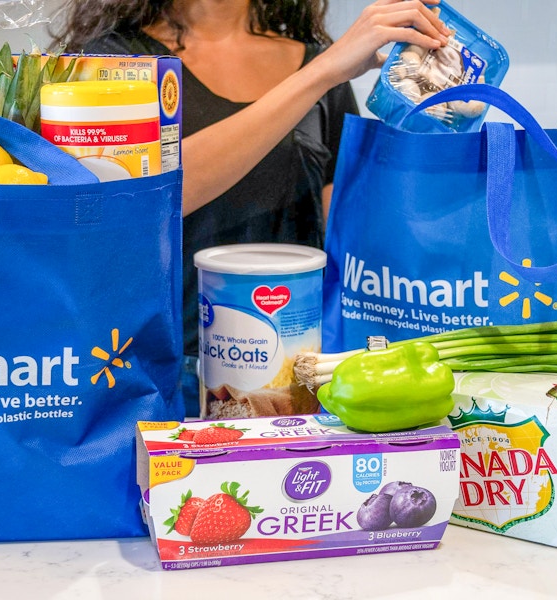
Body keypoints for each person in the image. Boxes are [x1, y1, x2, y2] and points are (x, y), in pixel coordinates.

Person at [51, 0, 450, 414]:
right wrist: (324, 72)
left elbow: (353, 242)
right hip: (155, 377)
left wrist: (432, 119)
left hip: (295, 378)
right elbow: (146, 199)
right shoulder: (107, 63)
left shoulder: (319, 65)